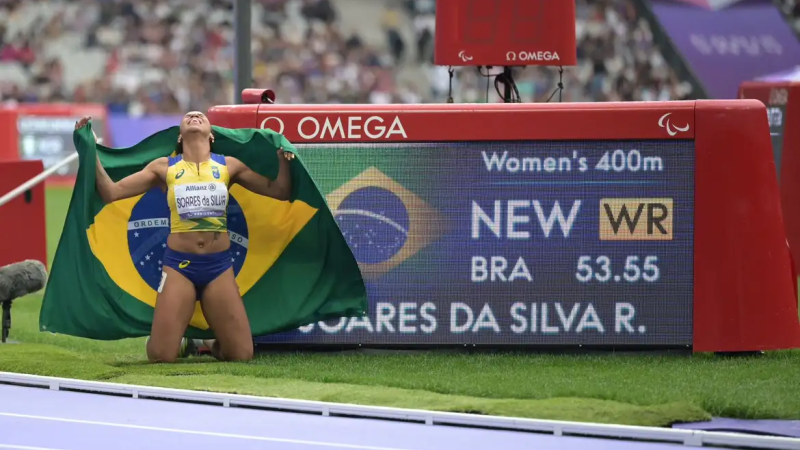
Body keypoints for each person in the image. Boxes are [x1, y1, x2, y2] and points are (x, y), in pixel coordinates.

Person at [75, 111, 295, 363]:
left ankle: (205, 342)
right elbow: (111, 192)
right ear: (180, 136)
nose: (194, 115)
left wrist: (283, 158)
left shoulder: (229, 165)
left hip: (218, 266)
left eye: (200, 115)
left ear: (211, 135)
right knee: (161, 356)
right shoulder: (164, 168)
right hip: (179, 267)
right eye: (188, 116)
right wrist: (89, 148)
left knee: (241, 354)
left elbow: (279, 191)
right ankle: (180, 340)